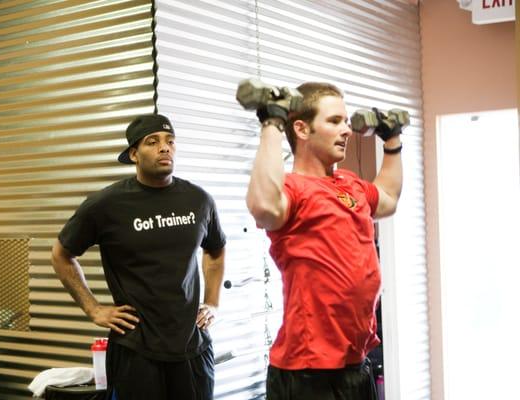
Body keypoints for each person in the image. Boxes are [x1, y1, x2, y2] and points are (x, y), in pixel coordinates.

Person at [51, 114, 226, 400]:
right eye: (152, 142)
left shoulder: (199, 199)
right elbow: (61, 255)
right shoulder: (106, 204)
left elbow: (215, 251)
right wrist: (93, 309)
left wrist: (213, 302)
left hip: (192, 346)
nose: (164, 148)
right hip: (136, 349)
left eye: (170, 141)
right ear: (134, 153)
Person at [246, 82, 403, 400]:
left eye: (346, 121)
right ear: (301, 129)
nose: (347, 130)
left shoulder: (351, 185)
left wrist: (392, 141)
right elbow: (263, 206)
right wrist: (273, 124)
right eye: (334, 121)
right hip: (306, 372)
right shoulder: (292, 190)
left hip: (356, 364)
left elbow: (388, 198)